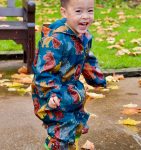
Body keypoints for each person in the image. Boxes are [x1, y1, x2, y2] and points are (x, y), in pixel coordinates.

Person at [32, 0, 106, 149]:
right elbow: (43, 71)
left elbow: (86, 57)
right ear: (64, 12)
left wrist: (96, 78)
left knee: (77, 122)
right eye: (78, 11)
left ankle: (72, 145)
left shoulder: (83, 35)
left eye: (90, 11)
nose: (85, 16)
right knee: (62, 131)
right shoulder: (55, 40)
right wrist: (51, 93)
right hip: (52, 93)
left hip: (71, 91)